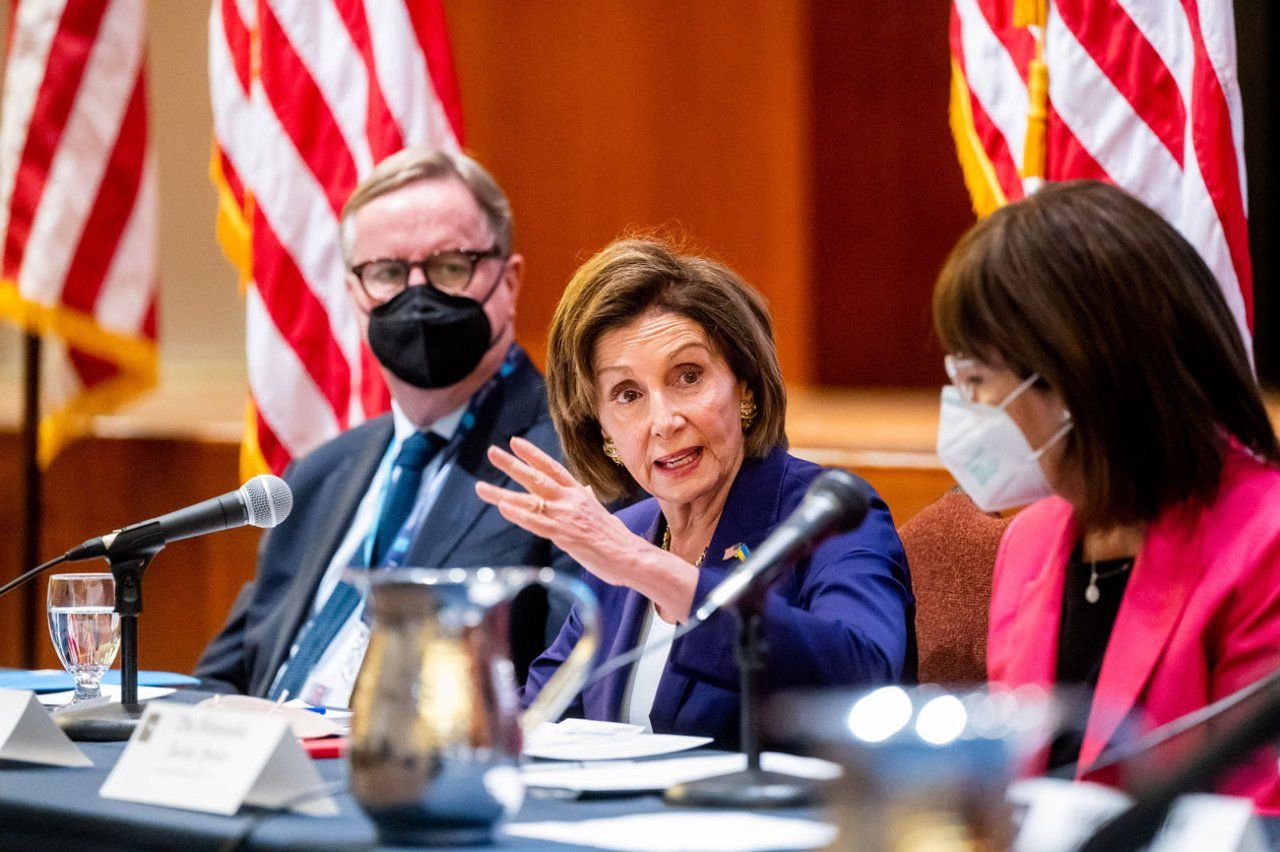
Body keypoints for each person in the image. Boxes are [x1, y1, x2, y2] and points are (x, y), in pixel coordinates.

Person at [475, 238, 916, 747]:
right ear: (602, 432)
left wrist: (645, 568)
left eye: (688, 377)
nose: (664, 421)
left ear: (745, 387)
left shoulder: (829, 514)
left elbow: (865, 680)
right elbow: (534, 725)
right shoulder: (624, 536)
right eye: (628, 395)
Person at [932, 180, 1280, 809]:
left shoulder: (1266, 541)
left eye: (978, 380)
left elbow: (1258, 815)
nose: (968, 408)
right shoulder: (1030, 541)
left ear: (1073, 377)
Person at [195, 148, 575, 704]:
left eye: (451, 267)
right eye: (388, 272)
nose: (416, 295)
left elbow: (565, 698)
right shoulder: (317, 476)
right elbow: (222, 681)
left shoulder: (569, 464)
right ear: (354, 293)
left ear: (509, 281)